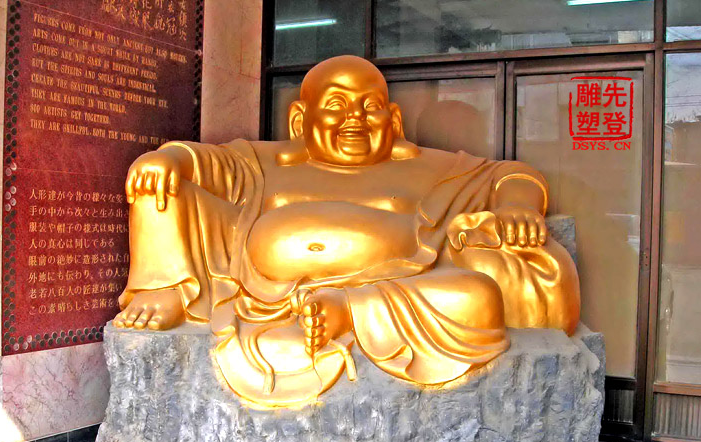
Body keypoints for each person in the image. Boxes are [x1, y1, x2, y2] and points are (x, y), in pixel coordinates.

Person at [114, 55, 580, 408]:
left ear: (393, 120)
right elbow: (200, 160)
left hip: (396, 284)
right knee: (161, 189)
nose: (354, 117)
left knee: (476, 296)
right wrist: (166, 158)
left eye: (369, 106)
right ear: (301, 120)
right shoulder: (265, 161)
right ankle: (166, 289)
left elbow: (510, 175)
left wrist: (517, 208)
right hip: (259, 288)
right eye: (336, 105)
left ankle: (348, 311)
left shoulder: (426, 167)